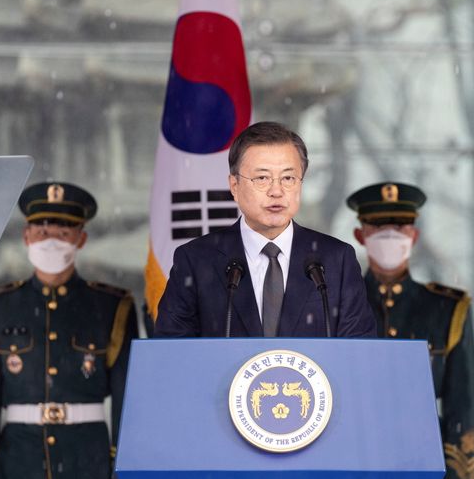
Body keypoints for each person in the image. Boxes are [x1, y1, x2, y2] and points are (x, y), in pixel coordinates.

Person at [0, 182, 139, 479]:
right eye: (42, 232)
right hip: (19, 462)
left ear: (81, 239)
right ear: (26, 236)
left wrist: (120, 468)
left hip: (88, 461)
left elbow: (128, 403)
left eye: (63, 233)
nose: (51, 241)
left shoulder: (112, 307)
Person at [154, 121, 376, 338]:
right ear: (234, 186)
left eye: (288, 178)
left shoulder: (337, 260)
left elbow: (358, 356)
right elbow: (172, 355)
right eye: (262, 178)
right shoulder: (196, 260)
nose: (276, 191)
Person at [347, 182, 474, 479]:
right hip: (353, 456)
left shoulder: (446, 309)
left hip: (423, 460)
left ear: (414, 236)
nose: (390, 234)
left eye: (401, 226)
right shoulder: (339, 305)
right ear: (360, 235)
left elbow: (461, 408)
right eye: (378, 226)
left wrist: (458, 475)